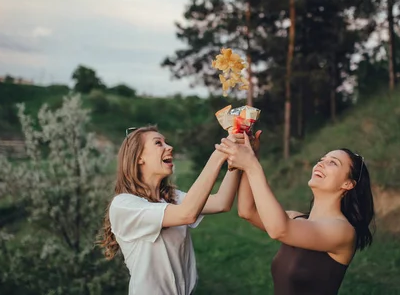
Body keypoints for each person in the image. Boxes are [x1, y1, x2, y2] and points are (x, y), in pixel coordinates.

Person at [216, 132, 375, 295]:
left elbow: (279, 229)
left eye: (332, 163)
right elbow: (247, 211)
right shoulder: (295, 219)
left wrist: (252, 166)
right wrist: (252, 154)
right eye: (321, 160)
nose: (320, 164)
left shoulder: (343, 232)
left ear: (348, 183)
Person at [99, 125, 241, 295]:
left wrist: (238, 157)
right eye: (158, 143)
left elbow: (222, 202)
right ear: (139, 158)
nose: (169, 147)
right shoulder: (124, 205)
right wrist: (220, 153)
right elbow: (187, 214)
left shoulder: (171, 197)